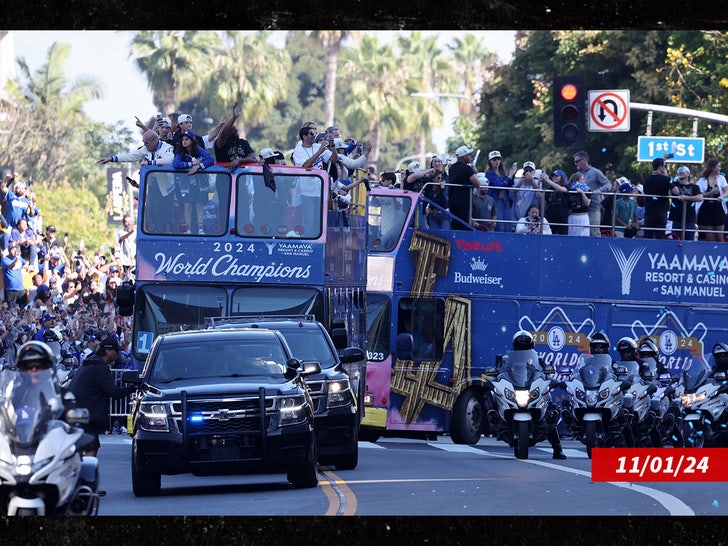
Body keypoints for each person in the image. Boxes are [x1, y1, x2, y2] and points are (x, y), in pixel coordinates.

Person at [68, 336, 136, 457]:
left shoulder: (90, 364)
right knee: (92, 446)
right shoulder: (100, 367)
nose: (117, 355)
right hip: (85, 414)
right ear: (108, 351)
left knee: (86, 445)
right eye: (116, 351)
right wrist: (133, 388)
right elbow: (114, 393)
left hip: (77, 412)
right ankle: (86, 473)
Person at [509, 330, 566, 459]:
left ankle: (558, 449)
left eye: (525, 346)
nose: (523, 349)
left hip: (533, 390)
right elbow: (503, 373)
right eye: (520, 346)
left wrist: (551, 380)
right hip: (517, 389)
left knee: (550, 412)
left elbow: (545, 372)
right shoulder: (509, 360)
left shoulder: (538, 359)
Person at [173, 131, 215, 235]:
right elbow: (176, 164)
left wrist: (198, 167)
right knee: (187, 205)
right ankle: (188, 229)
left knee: (198, 205)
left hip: (200, 184)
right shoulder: (180, 152)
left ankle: (200, 229)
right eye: (183, 140)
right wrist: (191, 163)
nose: (184, 142)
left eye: (187, 139)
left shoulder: (198, 150)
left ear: (192, 141)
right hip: (186, 185)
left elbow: (210, 159)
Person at [573, 151, 611, 236]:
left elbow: (608, 184)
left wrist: (600, 190)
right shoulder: (577, 174)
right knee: (581, 233)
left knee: (594, 232)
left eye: (577, 161)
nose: (575, 164)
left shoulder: (595, 172)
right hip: (580, 209)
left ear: (584, 160)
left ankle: (597, 249)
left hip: (593, 207)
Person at [447, 146, 481, 230]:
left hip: (452, 201)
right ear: (465, 156)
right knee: (464, 226)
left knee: (455, 225)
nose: (470, 157)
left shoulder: (452, 168)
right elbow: (478, 184)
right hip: (464, 202)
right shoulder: (467, 168)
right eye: (469, 155)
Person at [214, 102, 257, 169]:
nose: (236, 130)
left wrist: (239, 160)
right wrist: (234, 118)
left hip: (241, 177)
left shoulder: (243, 143)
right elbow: (223, 135)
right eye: (232, 129)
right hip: (225, 177)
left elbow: (253, 158)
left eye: (235, 129)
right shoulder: (221, 144)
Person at [696, 158, 728, 242]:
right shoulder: (702, 180)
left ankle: (721, 253)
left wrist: (721, 197)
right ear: (713, 168)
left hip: (718, 208)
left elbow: (727, 191)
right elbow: (698, 194)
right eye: (718, 166)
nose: (720, 168)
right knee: (709, 236)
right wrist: (710, 193)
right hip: (706, 209)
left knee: (720, 236)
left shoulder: (721, 178)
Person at [484, 150, 517, 232]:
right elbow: (499, 185)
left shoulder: (502, 173)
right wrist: (509, 176)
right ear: (490, 161)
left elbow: (509, 184)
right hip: (496, 201)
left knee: (507, 225)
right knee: (499, 226)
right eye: (494, 159)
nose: (497, 161)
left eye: (498, 159)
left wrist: (511, 176)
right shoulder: (489, 173)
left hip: (505, 201)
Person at [641, 156, 672, 239]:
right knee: (660, 235)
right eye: (664, 166)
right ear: (660, 167)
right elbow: (676, 191)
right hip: (662, 210)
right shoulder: (666, 180)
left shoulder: (647, 180)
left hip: (649, 210)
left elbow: (645, 192)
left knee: (648, 234)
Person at [668, 165, 702, 240]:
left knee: (689, 241)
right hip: (676, 218)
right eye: (679, 171)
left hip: (689, 218)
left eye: (683, 171)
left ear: (688, 173)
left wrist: (687, 198)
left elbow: (700, 198)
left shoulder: (694, 187)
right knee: (676, 240)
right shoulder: (674, 185)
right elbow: (666, 179)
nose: (680, 172)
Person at [541, 169, 569, 235]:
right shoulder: (550, 189)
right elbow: (539, 195)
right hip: (551, 216)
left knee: (563, 237)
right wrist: (539, 182)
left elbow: (562, 190)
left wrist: (548, 180)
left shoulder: (566, 186)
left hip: (562, 217)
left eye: (557, 176)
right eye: (553, 176)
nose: (554, 177)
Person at [566, 172, 591, 237]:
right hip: (572, 217)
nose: (584, 181)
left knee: (584, 237)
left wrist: (582, 193)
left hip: (583, 216)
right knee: (571, 236)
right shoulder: (570, 190)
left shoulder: (587, 189)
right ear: (577, 180)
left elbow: (587, 203)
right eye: (582, 179)